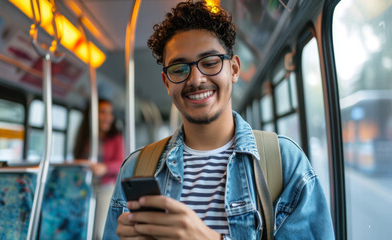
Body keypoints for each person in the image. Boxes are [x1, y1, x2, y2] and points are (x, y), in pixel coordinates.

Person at [104, 1, 335, 239]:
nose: (196, 79)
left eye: (211, 62)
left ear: (234, 69)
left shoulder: (284, 164)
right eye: (179, 69)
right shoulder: (137, 168)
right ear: (166, 82)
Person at [74, 98, 124, 240]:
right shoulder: (86, 137)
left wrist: (105, 167)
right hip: (85, 187)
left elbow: (121, 162)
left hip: (106, 187)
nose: (108, 117)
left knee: (99, 231)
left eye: (110, 113)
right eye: (103, 112)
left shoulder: (116, 137)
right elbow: (78, 157)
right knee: (83, 228)